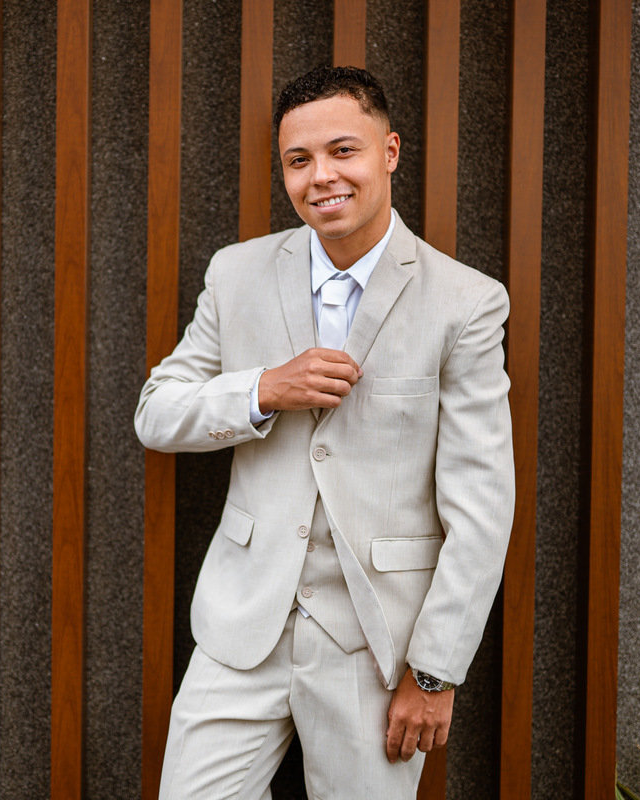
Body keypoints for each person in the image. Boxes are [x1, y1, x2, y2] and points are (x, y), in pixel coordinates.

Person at [134, 65, 514, 798]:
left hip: (375, 646)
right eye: (298, 160)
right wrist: (264, 389)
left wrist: (435, 672)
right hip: (239, 630)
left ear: (390, 152)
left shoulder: (465, 303)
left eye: (344, 151)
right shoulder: (235, 274)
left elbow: (482, 504)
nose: (321, 177)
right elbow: (157, 412)